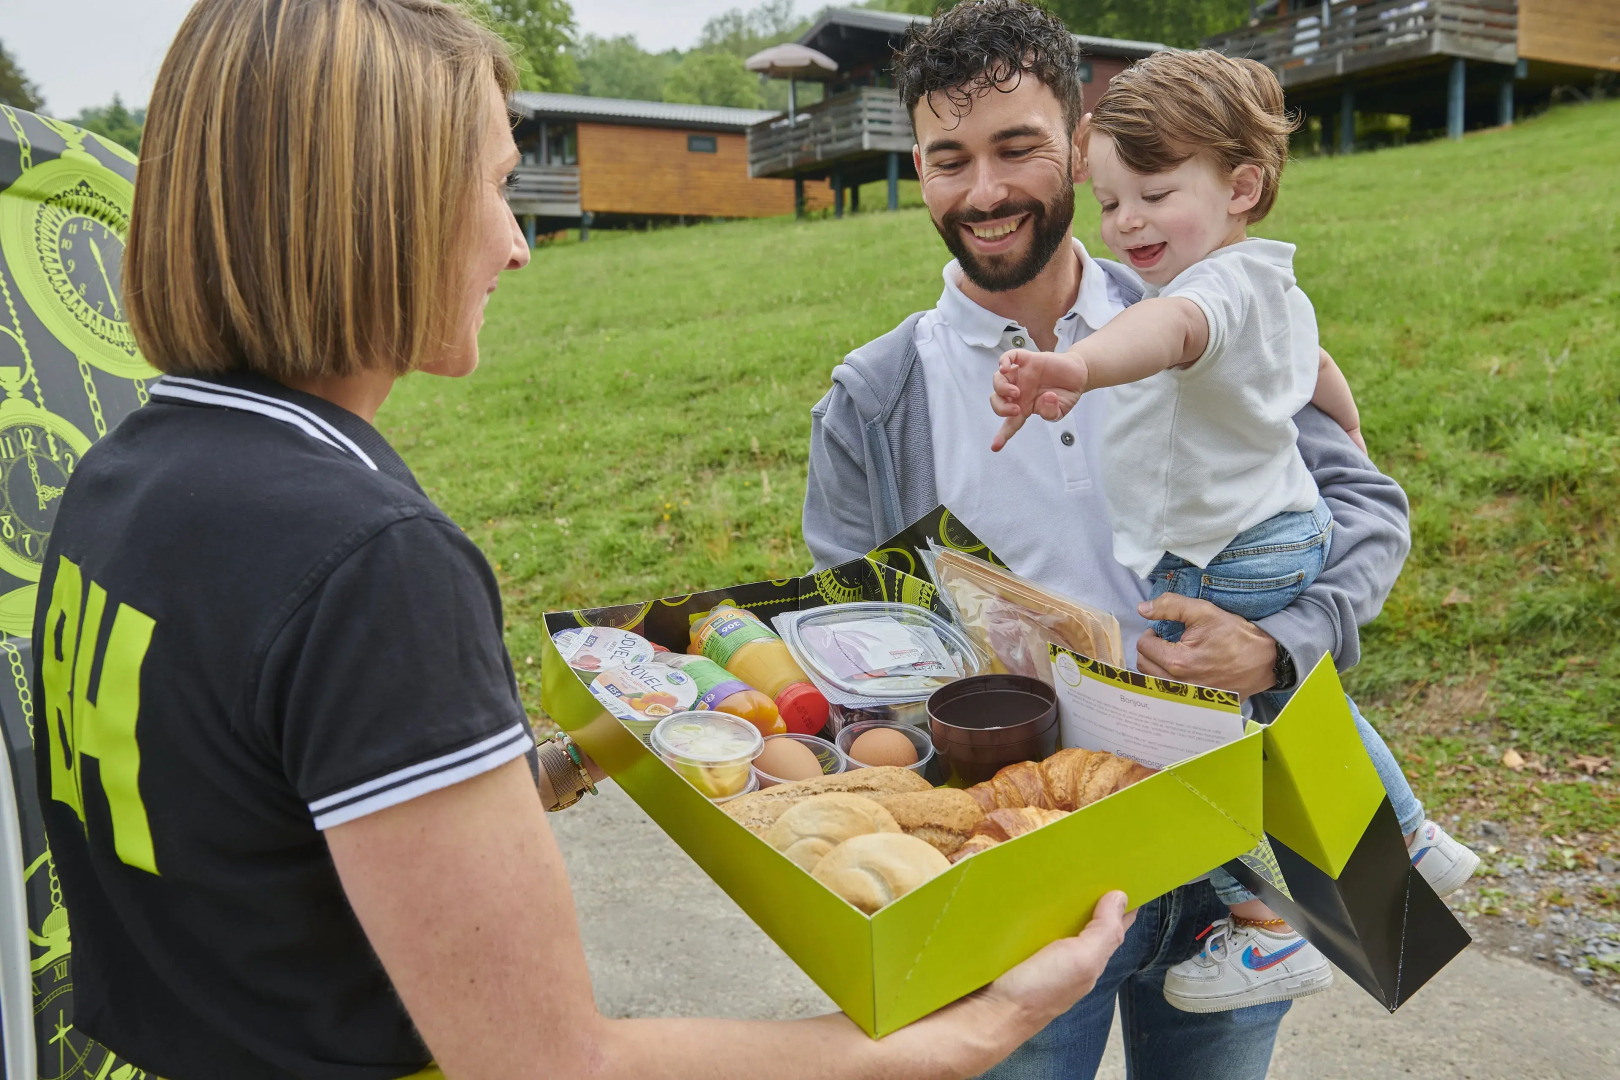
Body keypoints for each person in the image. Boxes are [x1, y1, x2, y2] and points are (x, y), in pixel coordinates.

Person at [31, 2, 1129, 1078]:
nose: (517, 244)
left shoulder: (120, 479)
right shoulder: (370, 563)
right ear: (377, 203)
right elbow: (549, 1061)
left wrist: (567, 763)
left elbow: (266, 819)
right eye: (500, 185)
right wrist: (963, 1039)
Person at [799, 2, 1398, 1076]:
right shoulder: (874, 398)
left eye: (1017, 148)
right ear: (922, 170)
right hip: (1032, 856)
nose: (983, 191)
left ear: (1076, 146)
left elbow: (1367, 509)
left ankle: (1401, 862)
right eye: (949, 159)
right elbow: (859, 639)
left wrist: (1284, 642)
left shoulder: (1204, 298)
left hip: (1247, 818)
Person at [986, 48, 1479, 1014]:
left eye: (1154, 194)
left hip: (1228, 558)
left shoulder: (1204, 294)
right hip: (1275, 532)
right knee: (1282, 713)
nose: (1126, 222)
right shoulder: (1268, 283)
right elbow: (1318, 364)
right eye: (1111, 200)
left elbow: (1166, 333)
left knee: (1209, 726)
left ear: (1242, 185)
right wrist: (1345, 423)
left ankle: (1267, 932)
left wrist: (1076, 368)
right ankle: (1407, 837)